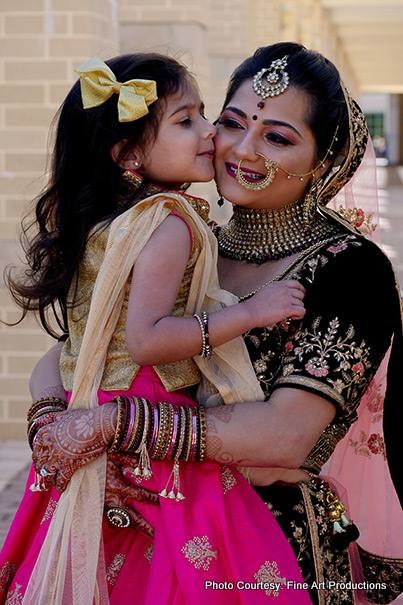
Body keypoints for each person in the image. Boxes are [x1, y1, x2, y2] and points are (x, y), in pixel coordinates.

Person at [4, 42, 403, 605]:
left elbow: (285, 435)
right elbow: (75, 348)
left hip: (270, 549)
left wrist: (112, 426)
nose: (241, 149)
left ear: (324, 161)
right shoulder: (193, 243)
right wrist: (52, 426)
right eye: (232, 122)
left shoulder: (350, 269)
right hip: (138, 521)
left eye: (278, 137)